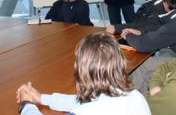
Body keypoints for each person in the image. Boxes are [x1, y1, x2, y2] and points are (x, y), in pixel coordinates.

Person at [16, 32, 151, 115]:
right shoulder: (136, 96)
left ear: (82, 70)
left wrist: (26, 106)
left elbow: (86, 107)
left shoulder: (86, 112)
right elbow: (85, 102)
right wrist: (42, 98)